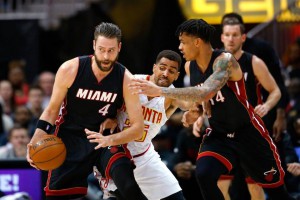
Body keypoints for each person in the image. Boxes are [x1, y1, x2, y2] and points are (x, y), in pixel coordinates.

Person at [128, 18, 295, 200]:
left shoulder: (225, 61)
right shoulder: (189, 66)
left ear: (197, 42)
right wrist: (194, 114)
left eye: (183, 42)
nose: (180, 47)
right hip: (219, 134)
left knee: (277, 192)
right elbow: (201, 102)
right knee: (204, 173)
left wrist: (159, 90)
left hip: (247, 132)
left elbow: (205, 91)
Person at [26, 22, 147, 200]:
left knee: (129, 185)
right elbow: (52, 109)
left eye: (111, 50)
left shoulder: (125, 78)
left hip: (103, 139)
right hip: (69, 138)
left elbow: (138, 127)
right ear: (93, 46)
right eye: (101, 49)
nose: (106, 56)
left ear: (119, 47)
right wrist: (36, 138)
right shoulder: (71, 69)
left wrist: (109, 139)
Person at [88, 50, 190, 200]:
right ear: (154, 67)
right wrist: (111, 116)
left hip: (144, 157)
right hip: (116, 153)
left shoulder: (172, 96)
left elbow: (189, 103)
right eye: (162, 68)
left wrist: (161, 91)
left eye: (171, 71)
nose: (166, 73)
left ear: (177, 75)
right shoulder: (133, 81)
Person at [217, 17, 282, 200]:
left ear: (243, 37)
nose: (231, 39)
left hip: (250, 130)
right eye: (227, 35)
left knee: (254, 186)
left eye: (235, 35)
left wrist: (267, 105)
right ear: (222, 37)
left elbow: (276, 91)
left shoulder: (254, 62)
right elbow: (203, 91)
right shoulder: (215, 63)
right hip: (223, 130)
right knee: (221, 184)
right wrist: (198, 114)